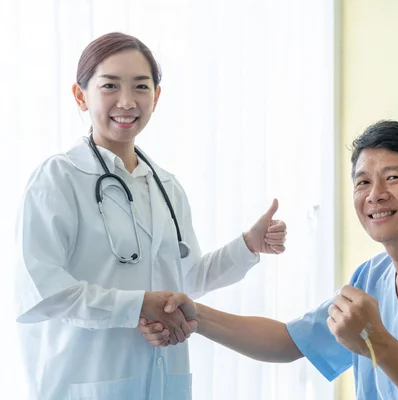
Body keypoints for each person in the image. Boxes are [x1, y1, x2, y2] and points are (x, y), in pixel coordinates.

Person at [139, 120, 398, 400]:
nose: (375, 195)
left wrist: (375, 340)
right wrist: (195, 316)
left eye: (393, 178)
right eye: (362, 182)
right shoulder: (370, 278)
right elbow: (290, 342)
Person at [14, 32, 287, 400]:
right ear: (81, 96)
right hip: (84, 382)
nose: (126, 101)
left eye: (140, 87)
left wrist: (247, 246)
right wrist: (138, 306)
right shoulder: (58, 179)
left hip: (163, 382)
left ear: (156, 97)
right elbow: (44, 292)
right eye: (110, 85)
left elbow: (186, 280)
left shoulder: (166, 186)